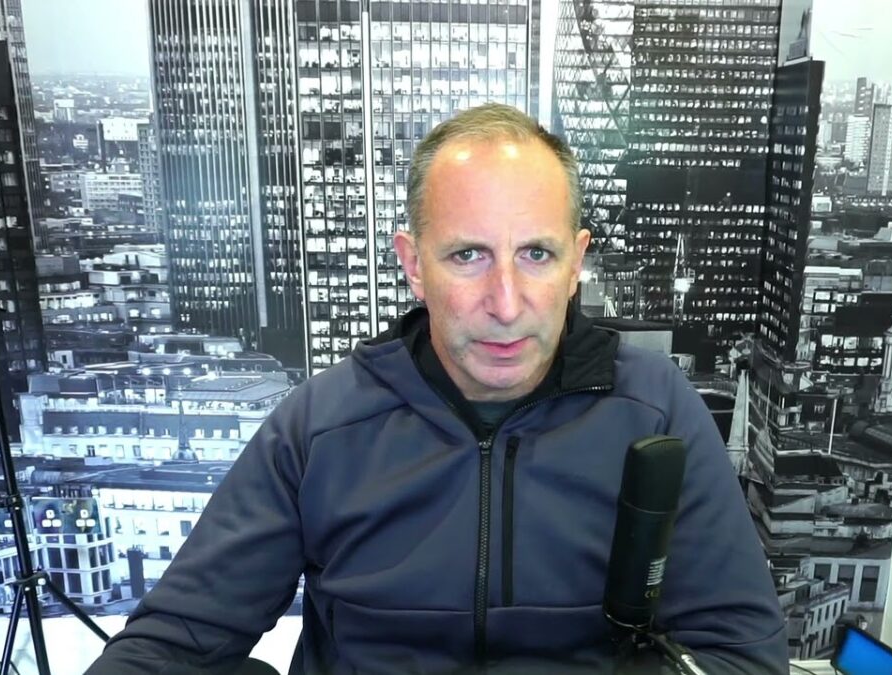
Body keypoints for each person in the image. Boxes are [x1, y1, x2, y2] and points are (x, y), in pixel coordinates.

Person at [86, 104, 787, 675]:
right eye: (467, 255)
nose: (506, 303)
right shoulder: (320, 424)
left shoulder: (656, 410)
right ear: (414, 265)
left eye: (536, 254)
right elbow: (173, 644)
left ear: (576, 263)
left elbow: (742, 654)